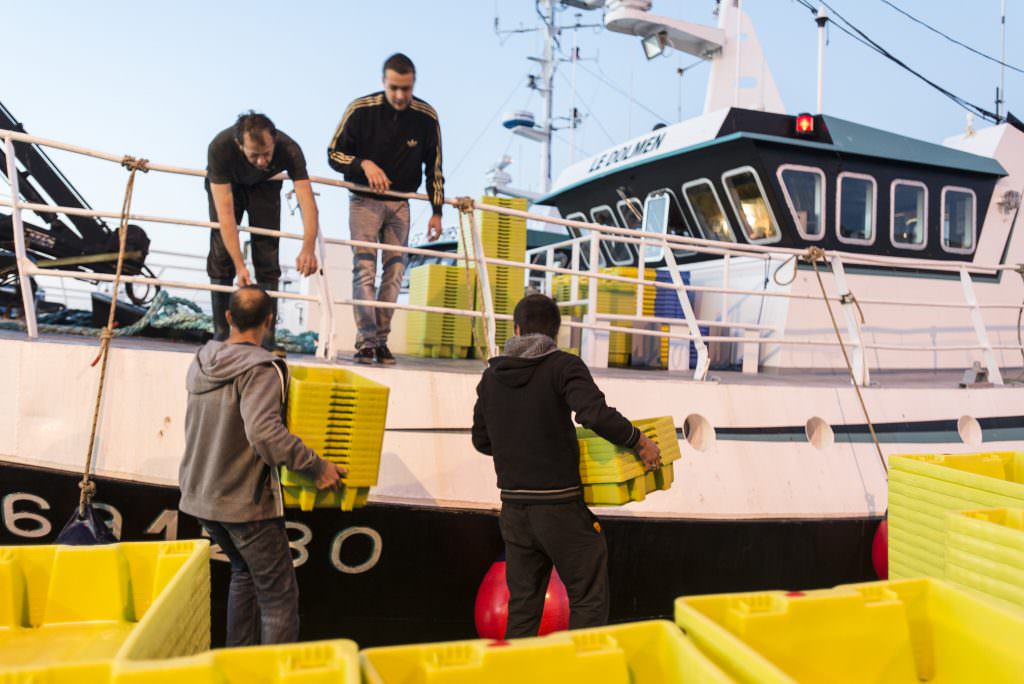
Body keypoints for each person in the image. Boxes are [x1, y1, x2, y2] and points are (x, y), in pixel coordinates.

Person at [471, 294, 662, 638]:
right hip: (559, 507)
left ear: (516, 328)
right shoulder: (563, 365)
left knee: (523, 606)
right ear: (555, 333)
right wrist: (640, 441)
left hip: (513, 510)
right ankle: (580, 671)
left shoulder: (490, 377)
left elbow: (482, 441)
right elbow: (594, 415)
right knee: (588, 597)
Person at [178, 285, 345, 646]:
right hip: (243, 505)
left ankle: (240, 667)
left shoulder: (201, 359)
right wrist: (316, 466)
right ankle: (272, 672)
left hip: (199, 497)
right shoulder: (261, 369)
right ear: (270, 321)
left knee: (244, 574)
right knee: (279, 598)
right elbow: (264, 433)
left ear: (227, 317)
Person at [327, 52, 445, 365]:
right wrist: (363, 164)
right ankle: (366, 343)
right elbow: (333, 153)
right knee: (364, 269)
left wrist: (437, 211)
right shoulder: (360, 109)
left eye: (406, 88)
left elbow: (434, 168)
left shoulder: (426, 116)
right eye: (394, 88)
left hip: (401, 204)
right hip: (364, 201)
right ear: (383, 82)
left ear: (414, 83)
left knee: (394, 273)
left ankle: (381, 341)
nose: (400, 95)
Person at [206, 111, 320, 350]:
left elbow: (307, 200)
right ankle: (221, 333)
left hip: (266, 185)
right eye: (254, 155)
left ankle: (267, 338)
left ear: (274, 141)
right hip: (229, 186)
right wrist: (239, 265)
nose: (261, 160)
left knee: (268, 252)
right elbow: (226, 217)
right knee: (220, 252)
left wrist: (308, 247)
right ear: (240, 145)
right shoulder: (220, 148)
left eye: (266, 154)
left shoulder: (289, 149)